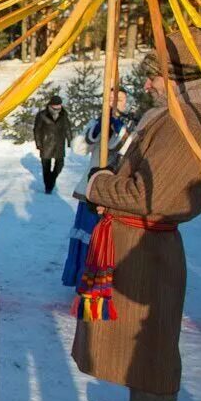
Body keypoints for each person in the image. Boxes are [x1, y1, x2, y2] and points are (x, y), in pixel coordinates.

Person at [73, 27, 201, 401]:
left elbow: (153, 198)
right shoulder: (170, 117)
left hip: (148, 251)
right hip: (134, 243)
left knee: (151, 342)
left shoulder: (190, 123)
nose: (147, 85)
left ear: (175, 78)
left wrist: (101, 184)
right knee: (134, 337)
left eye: (154, 77)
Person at [62, 90, 134, 287]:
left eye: (119, 99)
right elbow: (79, 148)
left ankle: (104, 284)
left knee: (106, 240)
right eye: (110, 99)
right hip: (91, 189)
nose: (114, 103)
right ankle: (82, 280)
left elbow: (127, 150)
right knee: (87, 235)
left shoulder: (132, 124)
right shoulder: (98, 121)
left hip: (115, 191)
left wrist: (118, 130)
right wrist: (96, 130)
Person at [34, 95, 73, 194]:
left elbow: (67, 128)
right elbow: (37, 130)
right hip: (45, 143)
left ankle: (51, 180)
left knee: (60, 165)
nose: (58, 108)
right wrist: (38, 143)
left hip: (59, 143)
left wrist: (70, 141)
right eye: (55, 106)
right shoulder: (42, 115)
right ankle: (48, 187)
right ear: (51, 105)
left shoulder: (64, 114)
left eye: (59, 106)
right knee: (46, 167)